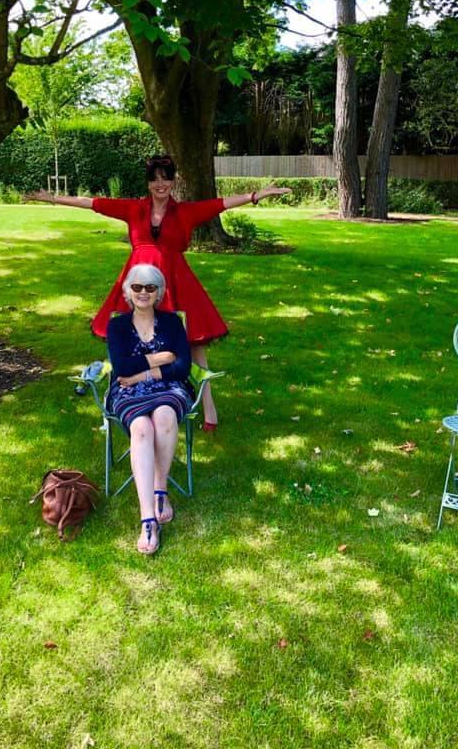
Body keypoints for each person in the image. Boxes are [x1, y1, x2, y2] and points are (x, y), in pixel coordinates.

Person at [26, 155, 291, 430]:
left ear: (174, 181)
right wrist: (52, 199)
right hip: (138, 283)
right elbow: (93, 203)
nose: (160, 184)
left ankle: (209, 410)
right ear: (148, 183)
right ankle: (125, 400)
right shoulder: (133, 209)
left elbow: (219, 204)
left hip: (176, 283)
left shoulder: (185, 212)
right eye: (154, 179)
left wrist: (256, 195)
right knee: (130, 339)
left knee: (194, 343)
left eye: (165, 178)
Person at [106, 264, 192, 555]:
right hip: (127, 391)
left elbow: (182, 367)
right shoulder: (118, 326)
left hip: (169, 388)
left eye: (150, 287)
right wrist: (160, 357)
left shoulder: (172, 322)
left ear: (159, 292)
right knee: (141, 428)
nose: (143, 292)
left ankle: (160, 491)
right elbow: (121, 368)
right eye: (137, 287)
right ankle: (148, 520)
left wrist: (142, 374)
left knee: (165, 415)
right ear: (128, 292)